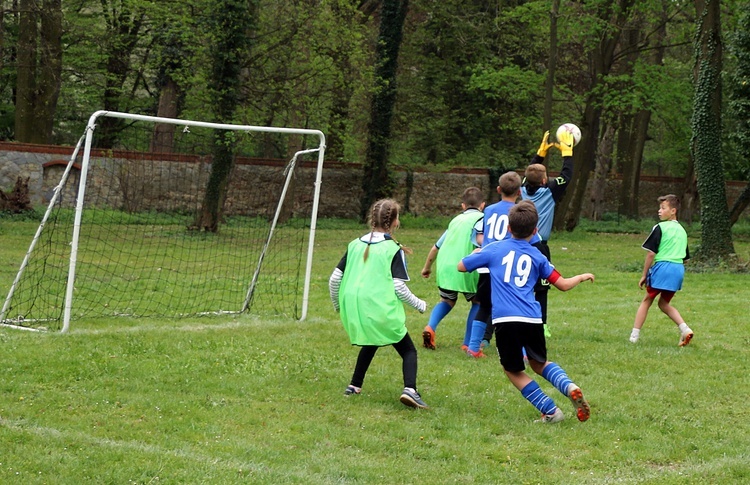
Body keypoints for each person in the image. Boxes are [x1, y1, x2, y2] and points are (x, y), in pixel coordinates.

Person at [458, 200, 594, 423]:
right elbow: (563, 284)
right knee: (539, 363)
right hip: (532, 318)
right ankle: (569, 386)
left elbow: (461, 266)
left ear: (509, 228)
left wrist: (479, 252)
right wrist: (580, 276)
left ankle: (550, 411)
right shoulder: (538, 256)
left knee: (512, 370)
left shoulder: (494, 249)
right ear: (535, 231)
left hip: (506, 320)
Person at [329, 198, 429, 409]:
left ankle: (354, 386)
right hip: (379, 307)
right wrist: (419, 304)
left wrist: (339, 305)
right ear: (394, 222)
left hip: (356, 306)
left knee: (371, 341)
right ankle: (410, 389)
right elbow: (399, 288)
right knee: (408, 350)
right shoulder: (393, 248)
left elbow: (334, 279)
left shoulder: (355, 244)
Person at [521, 130, 575, 332]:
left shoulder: (523, 188)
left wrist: (540, 153)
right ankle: (541, 325)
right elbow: (567, 175)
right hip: (539, 246)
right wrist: (567, 152)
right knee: (542, 287)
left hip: (520, 243)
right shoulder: (549, 191)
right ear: (544, 181)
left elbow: (530, 172)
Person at [465, 171, 522, 358]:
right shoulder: (517, 212)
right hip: (506, 264)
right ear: (519, 192)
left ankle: (473, 348)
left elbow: (484, 235)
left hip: (486, 264)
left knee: (484, 306)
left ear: (498, 189)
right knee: (514, 307)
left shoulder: (488, 210)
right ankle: (521, 351)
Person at [421, 187, 485, 351]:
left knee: (447, 300)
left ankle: (430, 327)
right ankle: (467, 343)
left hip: (446, 268)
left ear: (463, 206)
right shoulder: (483, 219)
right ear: (482, 205)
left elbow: (436, 247)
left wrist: (426, 268)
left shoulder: (455, 221)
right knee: (477, 302)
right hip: (468, 268)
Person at [629, 194, 694, 346]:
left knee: (647, 300)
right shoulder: (683, 231)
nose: (659, 211)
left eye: (663, 208)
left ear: (673, 211)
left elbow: (651, 253)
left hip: (663, 267)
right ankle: (685, 329)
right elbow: (685, 257)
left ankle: (634, 337)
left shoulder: (660, 227)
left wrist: (644, 274)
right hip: (678, 269)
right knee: (664, 304)